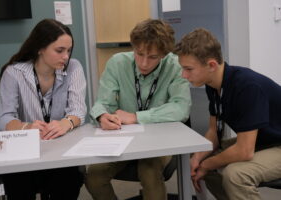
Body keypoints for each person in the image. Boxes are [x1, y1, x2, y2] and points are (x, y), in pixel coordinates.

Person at [85, 19, 191, 200]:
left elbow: (181, 108)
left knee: (149, 173)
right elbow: (104, 103)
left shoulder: (175, 66)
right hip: (124, 139)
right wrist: (102, 115)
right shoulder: (117, 63)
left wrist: (136, 117)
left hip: (160, 139)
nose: (143, 63)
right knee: (94, 176)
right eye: (139, 53)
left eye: (152, 57)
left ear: (164, 54)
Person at [174, 28, 281, 200]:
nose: (183, 75)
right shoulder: (213, 84)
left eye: (188, 69)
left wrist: (207, 164)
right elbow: (214, 132)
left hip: (276, 145)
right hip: (263, 140)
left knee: (235, 175)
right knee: (205, 159)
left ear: (211, 65)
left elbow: (245, 151)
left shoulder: (247, 86)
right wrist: (198, 158)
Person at [0, 19, 87, 200]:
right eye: (59, 50)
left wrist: (65, 123)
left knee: (69, 180)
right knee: (18, 182)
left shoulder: (74, 67)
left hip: (61, 151)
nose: (66, 57)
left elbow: (78, 110)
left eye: (69, 50)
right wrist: (26, 128)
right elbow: (4, 118)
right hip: (25, 155)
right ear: (40, 48)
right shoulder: (14, 73)